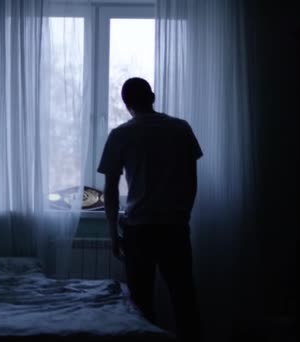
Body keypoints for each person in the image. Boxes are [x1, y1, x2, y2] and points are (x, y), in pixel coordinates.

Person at [97, 77, 203, 342]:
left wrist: (112, 234)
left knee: (141, 303)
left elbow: (110, 190)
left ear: (126, 104)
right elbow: (191, 180)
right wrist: (182, 215)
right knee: (184, 299)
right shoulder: (181, 129)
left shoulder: (121, 134)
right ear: (153, 97)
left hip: (139, 229)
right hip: (174, 226)